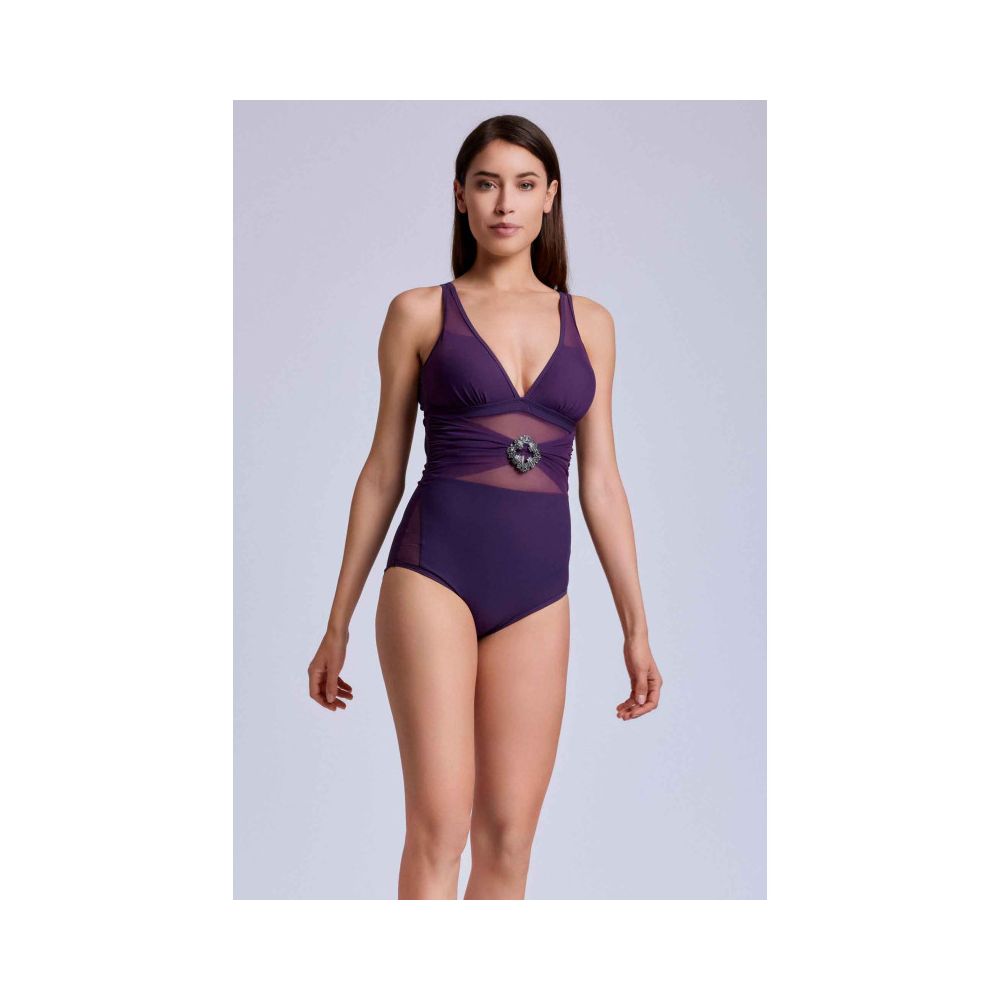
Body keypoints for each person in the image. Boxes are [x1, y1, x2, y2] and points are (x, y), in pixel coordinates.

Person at [308, 114, 662, 899]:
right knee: (439, 829)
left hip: (538, 593)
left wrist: (636, 629)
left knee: (508, 844)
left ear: (550, 197)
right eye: (487, 183)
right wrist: (337, 623)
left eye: (524, 185)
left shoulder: (591, 324)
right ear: (460, 196)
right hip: (433, 573)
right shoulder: (419, 312)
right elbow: (382, 471)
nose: (505, 202)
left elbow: (602, 482)